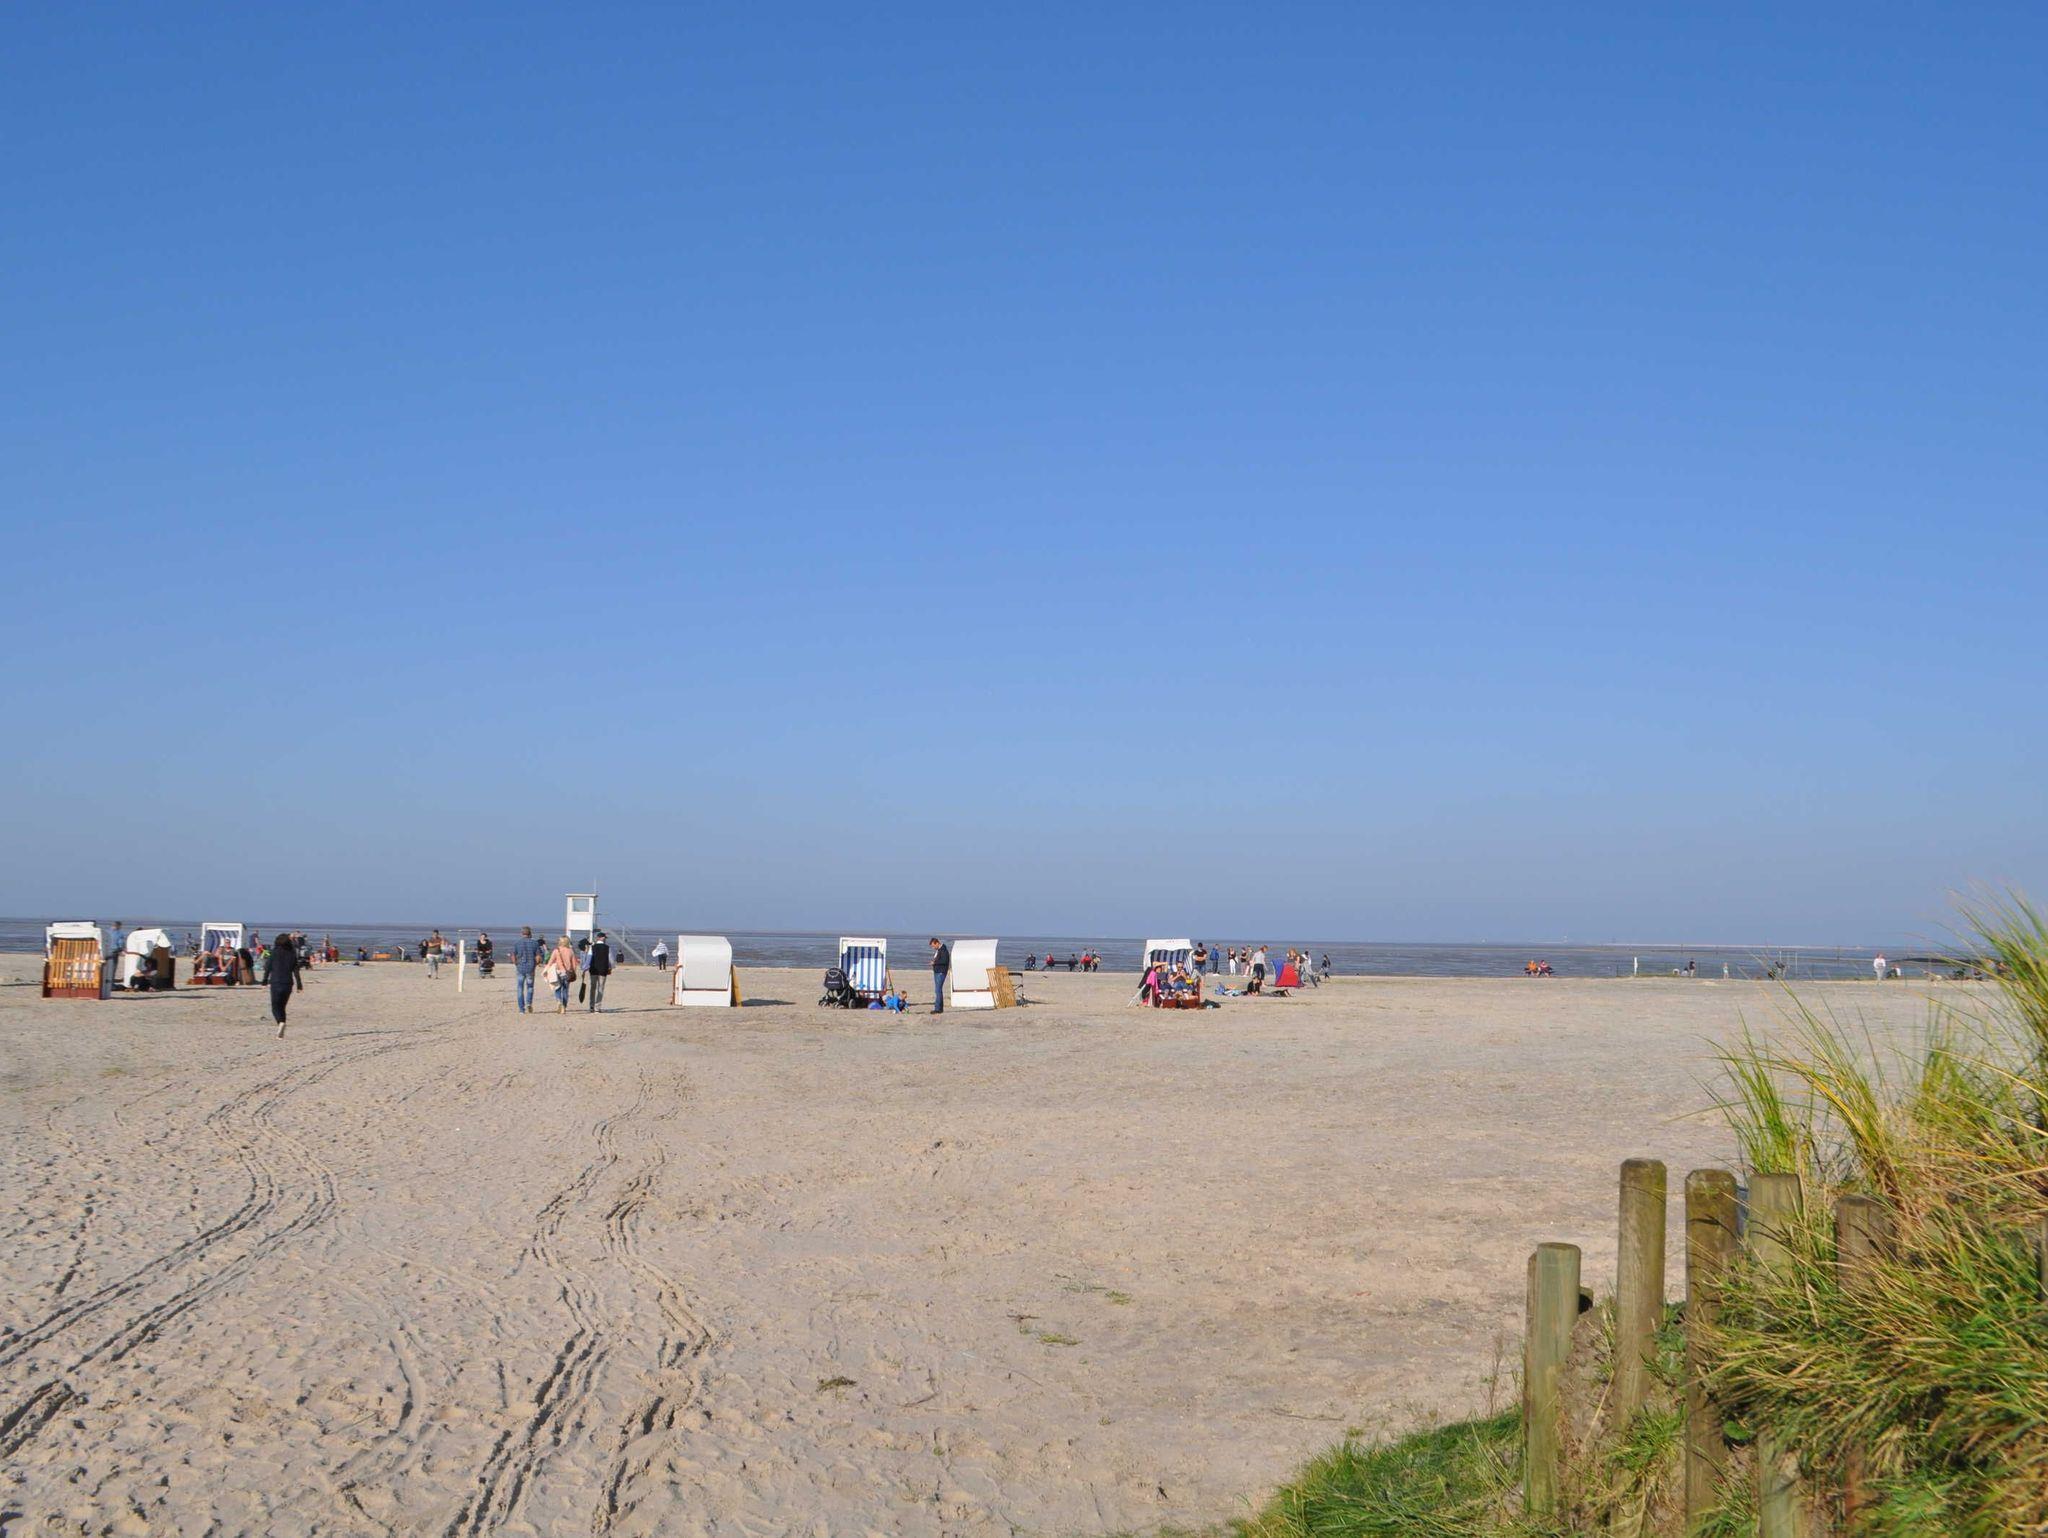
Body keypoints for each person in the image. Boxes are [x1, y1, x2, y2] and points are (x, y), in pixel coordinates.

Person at [269, 930, 303, 1038]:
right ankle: (282, 1024)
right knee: (282, 1006)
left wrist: (264, 980)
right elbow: (296, 970)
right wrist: (299, 984)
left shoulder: (274, 952)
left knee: (275, 1006)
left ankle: (280, 1022)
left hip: (276, 982)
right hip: (288, 983)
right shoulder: (292, 954)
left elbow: (268, 967)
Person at [511, 925, 542, 1013]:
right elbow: (538, 957)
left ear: (522, 933)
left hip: (520, 968)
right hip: (530, 968)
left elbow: (513, 956)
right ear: (530, 933)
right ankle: (529, 1003)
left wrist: (516, 963)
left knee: (520, 988)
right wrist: (536, 964)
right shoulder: (535, 943)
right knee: (530, 987)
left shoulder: (517, 943)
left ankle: (521, 1009)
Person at [545, 935, 578, 1013]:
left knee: (558, 988)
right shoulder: (570, 951)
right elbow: (574, 964)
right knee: (565, 990)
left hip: (558, 972)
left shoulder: (556, 950)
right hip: (568, 973)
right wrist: (573, 972)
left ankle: (559, 1002)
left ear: (560, 942)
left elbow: (550, 961)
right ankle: (564, 1007)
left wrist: (546, 970)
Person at [586, 930, 614, 1012]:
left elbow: (588, 959)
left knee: (593, 988)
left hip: (593, 969)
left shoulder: (592, 947)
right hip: (603, 970)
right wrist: (611, 967)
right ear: (601, 938)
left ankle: (591, 1006)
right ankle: (597, 1007)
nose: (605, 939)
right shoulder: (607, 948)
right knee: (600, 988)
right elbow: (611, 960)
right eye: (604, 938)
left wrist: (585, 967)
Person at [929, 937, 951, 1015]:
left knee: (938, 990)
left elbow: (944, 961)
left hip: (941, 972)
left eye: (933, 946)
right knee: (938, 990)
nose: (933, 947)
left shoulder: (943, 950)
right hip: (937, 971)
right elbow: (939, 960)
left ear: (937, 943)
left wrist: (934, 963)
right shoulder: (939, 950)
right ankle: (940, 1008)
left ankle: (937, 1008)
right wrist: (934, 962)